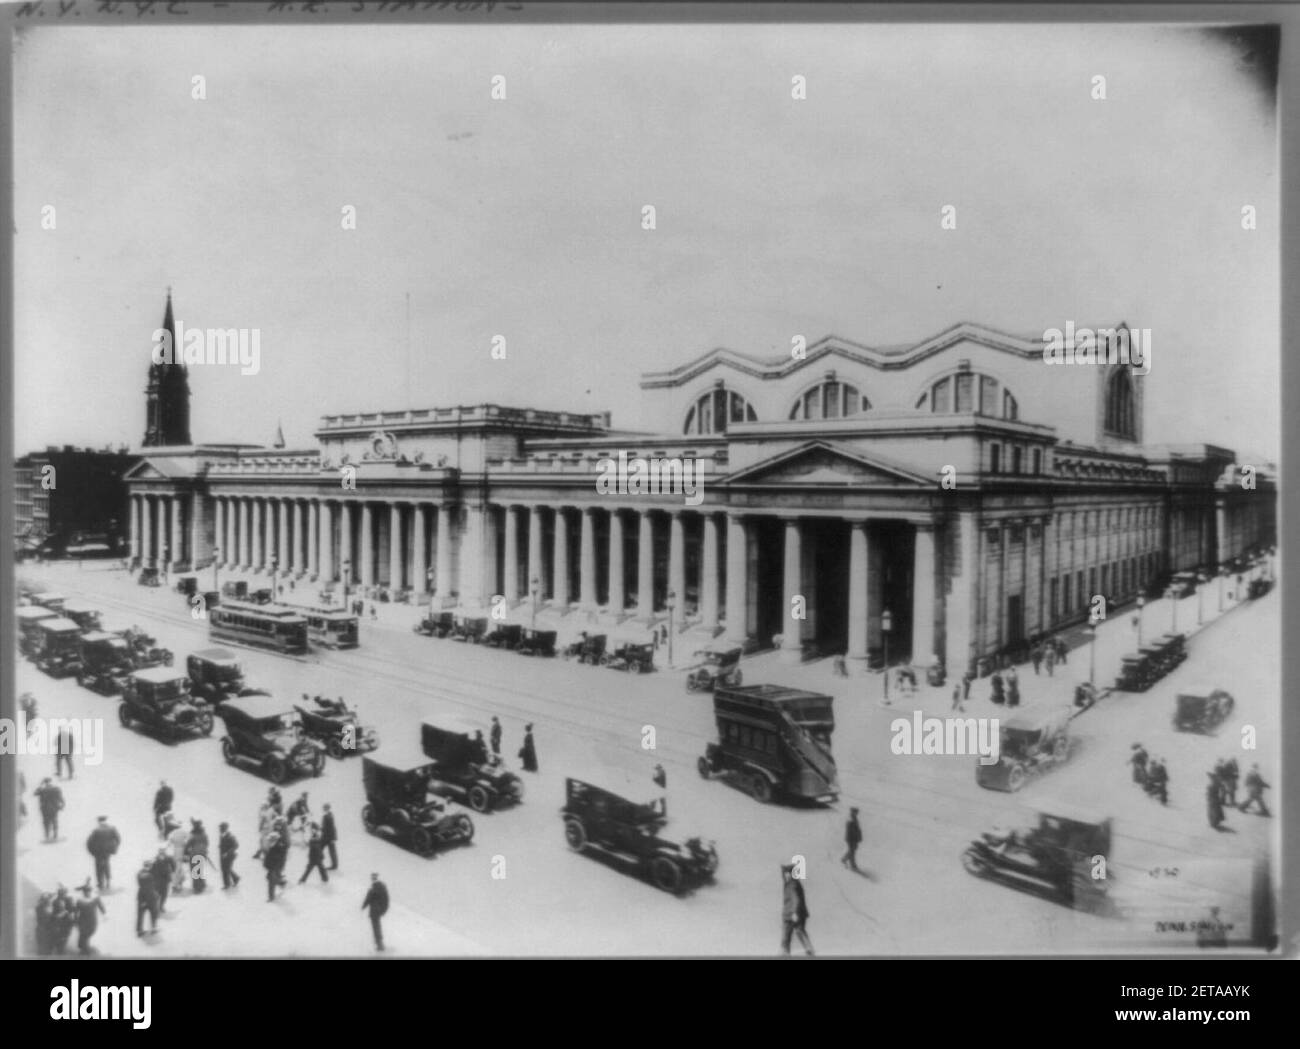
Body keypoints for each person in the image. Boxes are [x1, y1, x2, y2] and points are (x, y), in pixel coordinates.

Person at [780, 865, 814, 956]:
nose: (786, 876)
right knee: (794, 932)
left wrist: (795, 912)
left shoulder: (792, 884)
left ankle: (808, 950)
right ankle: (808, 949)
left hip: (793, 914)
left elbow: (796, 898)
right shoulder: (791, 883)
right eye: (785, 874)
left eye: (788, 874)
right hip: (791, 914)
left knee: (793, 933)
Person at [86, 815, 121, 891]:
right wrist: (114, 848)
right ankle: (108, 882)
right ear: (106, 821)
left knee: (98, 867)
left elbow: (89, 842)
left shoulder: (96, 830)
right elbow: (118, 839)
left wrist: (92, 852)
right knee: (107, 865)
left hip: (98, 852)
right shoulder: (112, 829)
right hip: (108, 851)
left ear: (99, 822)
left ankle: (101, 884)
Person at [74, 883, 105, 956]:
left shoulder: (95, 899)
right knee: (83, 938)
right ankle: (84, 952)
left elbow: (101, 907)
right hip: (82, 922)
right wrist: (75, 921)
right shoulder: (80, 901)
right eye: (85, 891)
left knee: (85, 937)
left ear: (90, 891)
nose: (87, 893)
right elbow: (76, 912)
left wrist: (104, 914)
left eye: (88, 891)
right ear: (83, 892)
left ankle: (85, 952)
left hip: (92, 923)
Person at [362, 873, 389, 951]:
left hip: (374, 911)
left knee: (375, 927)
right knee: (377, 926)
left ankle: (379, 944)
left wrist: (363, 906)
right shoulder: (383, 888)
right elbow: (386, 900)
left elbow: (368, 899)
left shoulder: (372, 889)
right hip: (379, 910)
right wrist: (384, 910)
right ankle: (380, 943)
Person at [35, 777, 64, 841]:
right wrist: (62, 806)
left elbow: (35, 793)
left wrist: (40, 785)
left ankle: (47, 836)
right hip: (54, 808)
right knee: (54, 821)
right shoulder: (56, 789)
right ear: (51, 782)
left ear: (45, 783)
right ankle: (55, 835)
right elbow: (61, 798)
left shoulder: (42, 790)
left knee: (46, 823)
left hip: (44, 809)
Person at [136, 858, 160, 937]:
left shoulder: (139, 873)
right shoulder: (149, 876)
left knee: (140, 915)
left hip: (141, 897)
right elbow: (149, 889)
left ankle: (139, 930)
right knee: (153, 913)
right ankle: (153, 928)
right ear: (149, 866)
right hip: (150, 898)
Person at [185, 820, 211, 893]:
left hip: (194, 854)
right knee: (200, 869)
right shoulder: (204, 835)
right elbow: (207, 844)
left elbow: (188, 845)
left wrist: (186, 853)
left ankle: (197, 888)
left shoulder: (193, 836)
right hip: (202, 854)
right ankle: (202, 884)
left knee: (194, 871)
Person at [166, 816, 189, 892]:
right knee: (178, 868)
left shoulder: (173, 832)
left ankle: (177, 883)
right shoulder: (184, 832)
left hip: (174, 851)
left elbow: (169, 842)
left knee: (176, 868)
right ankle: (177, 885)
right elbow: (188, 842)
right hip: (181, 851)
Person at [150, 849, 176, 913]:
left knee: (161, 895)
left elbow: (173, 866)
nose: (162, 856)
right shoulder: (157, 861)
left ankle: (159, 907)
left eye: (163, 854)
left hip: (161, 881)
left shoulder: (158, 860)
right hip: (161, 881)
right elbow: (174, 866)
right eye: (161, 854)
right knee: (161, 895)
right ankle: (158, 907)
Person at [218, 822, 240, 888]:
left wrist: (227, 853)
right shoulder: (221, 835)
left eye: (221, 828)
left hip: (229, 856)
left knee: (227, 869)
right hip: (222, 856)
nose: (220, 829)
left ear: (225, 829)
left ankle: (227, 884)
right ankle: (235, 878)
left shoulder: (230, 836)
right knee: (225, 869)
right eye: (220, 828)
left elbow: (236, 845)